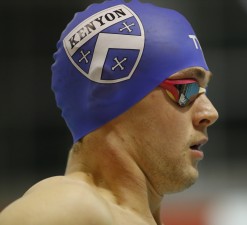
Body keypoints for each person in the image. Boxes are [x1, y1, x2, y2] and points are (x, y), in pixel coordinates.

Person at [0, 0, 218, 224]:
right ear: (115, 98)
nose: (210, 112)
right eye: (186, 88)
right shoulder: (72, 206)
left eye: (204, 90)